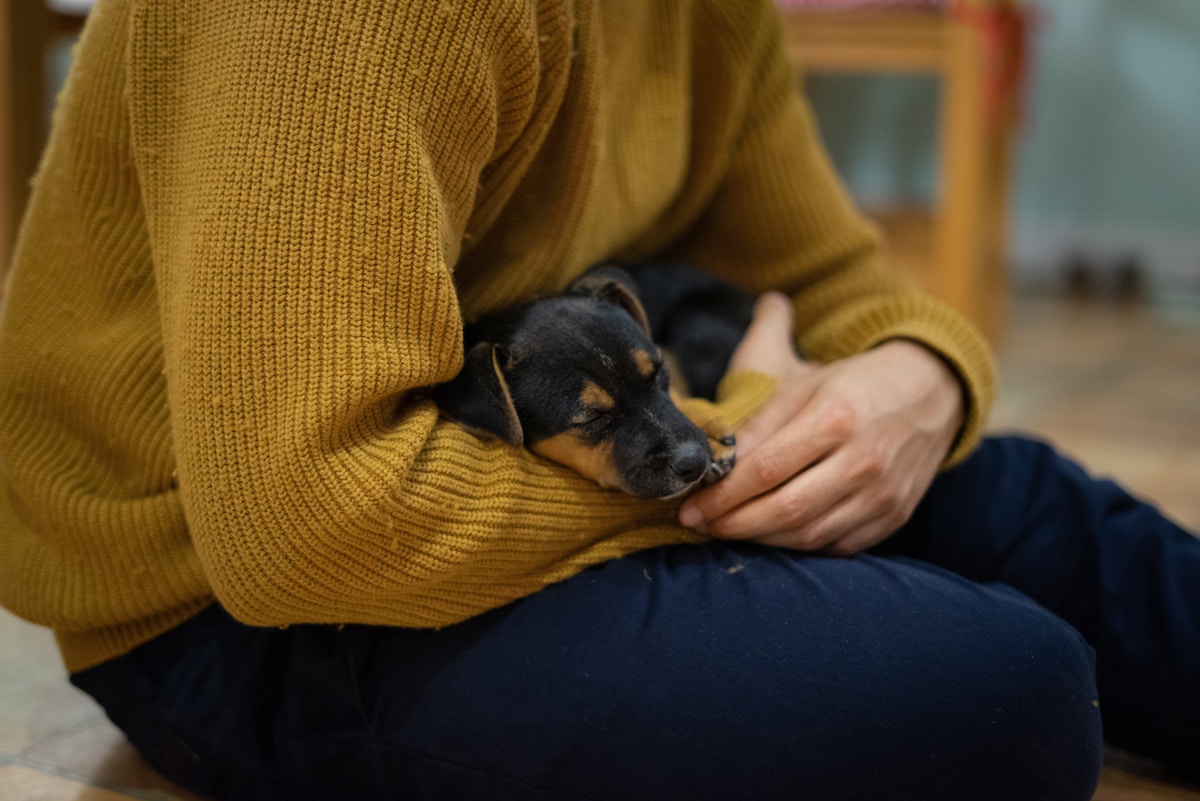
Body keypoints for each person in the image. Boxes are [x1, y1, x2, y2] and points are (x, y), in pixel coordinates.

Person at [0, 1, 1195, 799]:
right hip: (231, 603)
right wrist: (744, 426)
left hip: (493, 481)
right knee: (1007, 694)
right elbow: (303, 529)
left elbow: (829, 277)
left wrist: (922, 381)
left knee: (1020, 501)